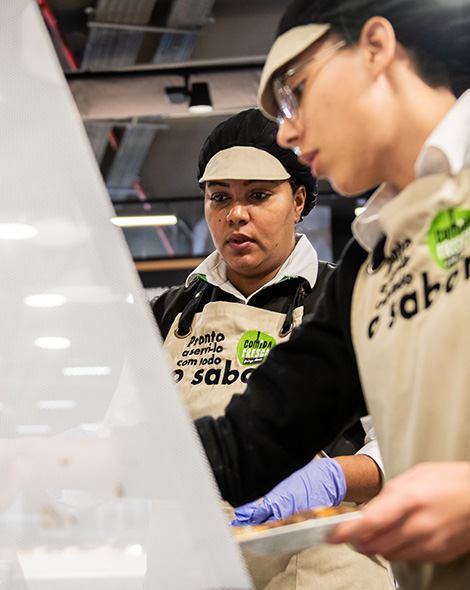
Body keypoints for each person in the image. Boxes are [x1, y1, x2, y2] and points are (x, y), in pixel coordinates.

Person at [193, 1, 470, 590]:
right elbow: (248, 444)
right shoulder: (370, 263)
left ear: (375, 48)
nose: (288, 131)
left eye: (294, 93)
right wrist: (73, 461)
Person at [151, 108, 394, 589]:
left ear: (299, 200)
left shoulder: (349, 297)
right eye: (219, 197)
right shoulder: (164, 316)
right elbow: (131, 441)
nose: (235, 214)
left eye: (258, 196)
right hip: (192, 567)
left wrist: (328, 481)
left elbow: (404, 443)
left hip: (324, 568)